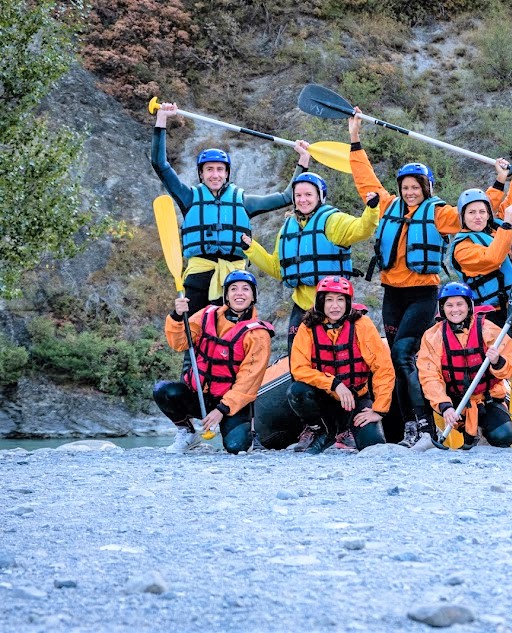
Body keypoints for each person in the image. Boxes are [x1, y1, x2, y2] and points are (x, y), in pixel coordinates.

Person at [347, 110, 511, 449]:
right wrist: (355, 140)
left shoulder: (439, 214)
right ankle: (410, 425)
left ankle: (422, 427)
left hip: (424, 294)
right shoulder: (387, 205)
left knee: (407, 353)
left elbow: (477, 210)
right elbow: (366, 181)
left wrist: (498, 182)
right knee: (396, 357)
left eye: (416, 188)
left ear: (426, 189)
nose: (410, 193)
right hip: (392, 294)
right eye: (406, 187)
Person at [151, 102, 308, 312]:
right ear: (201, 174)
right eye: (209, 170)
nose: (214, 175)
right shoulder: (189, 198)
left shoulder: (243, 202)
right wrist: (161, 120)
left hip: (235, 281)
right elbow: (160, 164)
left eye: (219, 170)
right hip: (198, 278)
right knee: (194, 337)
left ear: (227, 174)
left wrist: (303, 161)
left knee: (235, 338)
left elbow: (287, 196)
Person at [445, 153, 512, 439]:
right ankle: (478, 422)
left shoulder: (497, 225)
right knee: (492, 369)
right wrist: (506, 224)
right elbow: (493, 258)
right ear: (463, 218)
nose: (479, 216)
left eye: (482, 211)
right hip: (491, 314)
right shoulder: (462, 248)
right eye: (472, 213)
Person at [242, 172, 380, 351]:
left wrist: (371, 209)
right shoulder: (287, 228)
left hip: (332, 305)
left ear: (319, 197)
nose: (302, 200)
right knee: (296, 357)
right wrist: (251, 248)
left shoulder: (333, 221)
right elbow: (278, 269)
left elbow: (362, 229)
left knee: (330, 359)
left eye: (308, 195)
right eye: (298, 195)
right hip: (301, 306)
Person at [154, 270, 274, 454]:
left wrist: (222, 409)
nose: (239, 293)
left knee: (236, 447)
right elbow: (179, 343)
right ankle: (188, 433)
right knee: (163, 391)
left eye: (245, 289)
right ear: (226, 294)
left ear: (253, 296)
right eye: (233, 289)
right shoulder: (207, 314)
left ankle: (247, 431)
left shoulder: (258, 334)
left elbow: (248, 382)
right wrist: (177, 317)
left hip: (231, 403)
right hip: (200, 396)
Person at [286, 276, 394, 454]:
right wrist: (334, 384)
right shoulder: (307, 327)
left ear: (348, 302)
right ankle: (320, 430)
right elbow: (299, 369)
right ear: (320, 302)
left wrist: (379, 409)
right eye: (329, 300)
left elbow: (383, 367)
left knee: (373, 444)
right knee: (297, 391)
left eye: (340, 300)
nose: (334, 306)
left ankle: (345, 432)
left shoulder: (362, 325)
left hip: (355, 398)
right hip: (325, 399)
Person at [417, 283, 512, 450]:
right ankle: (467, 432)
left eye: (459, 304)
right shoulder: (432, 336)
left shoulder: (488, 330)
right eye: (449, 305)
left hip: (486, 399)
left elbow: (510, 366)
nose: (454, 310)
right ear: (442, 308)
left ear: (469, 306)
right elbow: (429, 377)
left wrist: (497, 361)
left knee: (504, 435)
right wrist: (444, 406)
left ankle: (482, 430)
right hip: (455, 402)